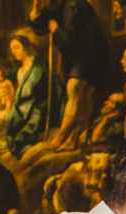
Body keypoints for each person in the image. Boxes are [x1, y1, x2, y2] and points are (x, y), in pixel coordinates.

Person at [29, 0, 110, 151]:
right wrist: (36, 10)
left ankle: (61, 136)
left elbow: (72, 41)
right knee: (83, 96)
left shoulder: (74, 6)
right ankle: (75, 138)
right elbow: (40, 29)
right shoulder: (54, 6)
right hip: (78, 55)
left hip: (90, 53)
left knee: (76, 90)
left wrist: (56, 29)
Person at [6, 34, 62, 159]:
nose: (14, 52)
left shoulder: (38, 67)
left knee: (22, 136)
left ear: (25, 47)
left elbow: (38, 92)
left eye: (16, 47)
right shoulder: (18, 70)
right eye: (11, 50)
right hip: (22, 107)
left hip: (37, 107)